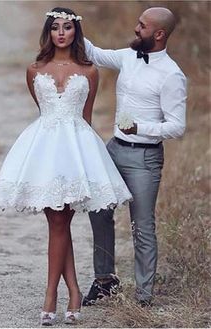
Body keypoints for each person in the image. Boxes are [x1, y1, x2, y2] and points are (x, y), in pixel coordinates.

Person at [0, 7, 132, 326]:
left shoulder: (89, 70)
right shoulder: (34, 69)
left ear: (75, 32)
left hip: (76, 150)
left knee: (59, 223)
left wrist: (85, 161)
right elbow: (43, 110)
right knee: (57, 223)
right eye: (56, 27)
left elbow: (86, 117)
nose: (62, 33)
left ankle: (51, 296)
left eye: (68, 27)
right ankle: (73, 291)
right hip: (43, 151)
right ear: (49, 32)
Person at [83, 7, 187, 307]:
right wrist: (69, 22)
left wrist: (141, 127)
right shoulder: (129, 56)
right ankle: (104, 282)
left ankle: (142, 299)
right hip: (114, 148)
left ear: (158, 34)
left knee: (142, 226)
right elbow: (95, 53)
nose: (134, 28)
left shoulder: (172, 75)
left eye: (141, 26)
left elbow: (177, 127)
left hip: (145, 158)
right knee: (99, 209)